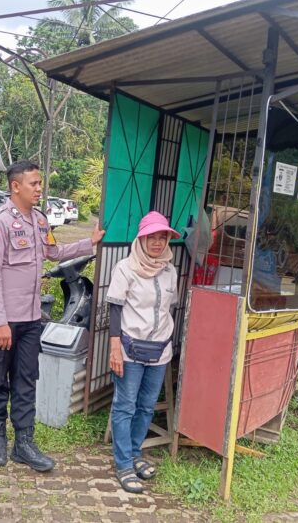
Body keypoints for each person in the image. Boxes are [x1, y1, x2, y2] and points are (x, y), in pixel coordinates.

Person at [0, 160, 105, 472]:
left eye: (40, 183)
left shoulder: (39, 221)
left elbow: (53, 253)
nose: (39, 188)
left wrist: (88, 243)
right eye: (33, 183)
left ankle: (24, 443)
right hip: (2, 320)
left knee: (26, 379)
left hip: (31, 319)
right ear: (15, 186)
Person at [105, 211, 180, 494]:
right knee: (125, 406)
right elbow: (115, 309)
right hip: (129, 349)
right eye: (152, 237)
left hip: (160, 350)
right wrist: (114, 348)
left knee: (147, 406)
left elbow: (168, 308)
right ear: (141, 239)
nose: (157, 243)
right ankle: (124, 464)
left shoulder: (169, 270)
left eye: (162, 237)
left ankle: (135, 453)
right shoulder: (126, 268)